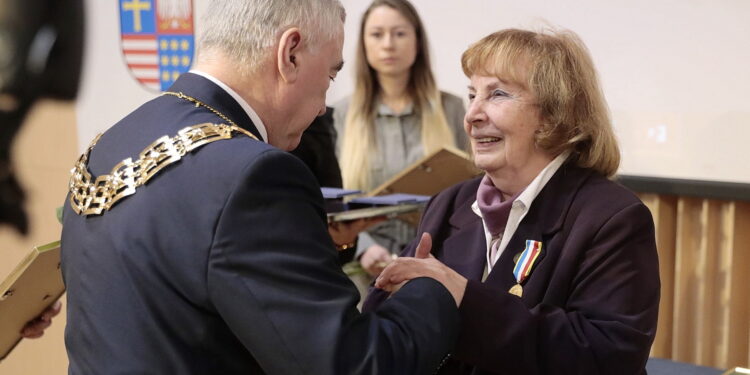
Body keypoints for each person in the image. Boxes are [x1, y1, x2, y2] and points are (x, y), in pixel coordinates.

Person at [60, 1, 463, 374]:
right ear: (290, 54)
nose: (324, 104)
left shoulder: (111, 141)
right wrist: (433, 289)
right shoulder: (254, 175)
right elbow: (350, 364)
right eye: (330, 74)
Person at [368, 28, 660, 374]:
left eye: (497, 95)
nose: (472, 115)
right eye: (472, 94)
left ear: (554, 113)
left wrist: (462, 297)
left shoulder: (612, 217)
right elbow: (380, 322)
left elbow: (608, 356)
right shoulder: (450, 203)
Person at [333, 0, 468, 276]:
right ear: (364, 43)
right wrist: (364, 247)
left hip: (439, 260)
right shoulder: (342, 113)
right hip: (363, 265)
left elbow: (471, 192)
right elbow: (334, 198)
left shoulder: (451, 108)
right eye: (377, 34)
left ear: (417, 40)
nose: (388, 44)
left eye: (399, 33)